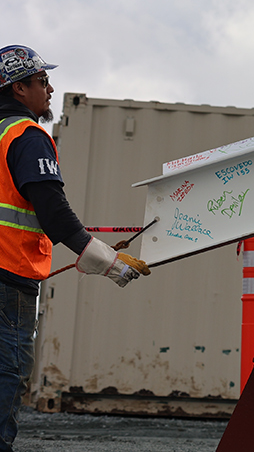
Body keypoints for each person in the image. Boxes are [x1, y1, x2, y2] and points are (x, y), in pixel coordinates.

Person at [0, 45, 149, 451]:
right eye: (41, 80)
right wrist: (108, 261)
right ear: (19, 89)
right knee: (7, 376)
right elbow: (53, 211)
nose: (49, 88)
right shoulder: (26, 137)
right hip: (7, 280)